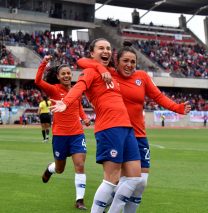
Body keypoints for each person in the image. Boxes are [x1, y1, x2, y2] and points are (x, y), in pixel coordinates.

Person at [77, 43, 191, 212]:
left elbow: (158, 96)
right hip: (115, 131)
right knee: (119, 179)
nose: (129, 65)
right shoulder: (110, 74)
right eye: (125, 61)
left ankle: (113, 202)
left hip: (138, 134)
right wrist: (101, 69)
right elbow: (82, 61)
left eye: (133, 61)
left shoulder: (142, 77)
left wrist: (177, 107)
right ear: (117, 62)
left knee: (140, 182)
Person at [50, 38, 142, 213]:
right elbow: (80, 83)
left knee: (134, 178)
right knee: (111, 179)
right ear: (92, 53)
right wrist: (67, 102)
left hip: (126, 127)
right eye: (101, 48)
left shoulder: (112, 72)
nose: (106, 51)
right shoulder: (90, 72)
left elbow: (126, 68)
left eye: (108, 48)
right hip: (109, 128)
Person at [35, 55, 91, 210]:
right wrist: (44, 62)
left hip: (77, 134)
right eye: (63, 74)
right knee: (60, 169)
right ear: (58, 77)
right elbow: (38, 81)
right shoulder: (54, 90)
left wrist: (85, 118)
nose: (67, 75)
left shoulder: (76, 91)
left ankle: (79, 200)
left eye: (68, 73)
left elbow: (78, 107)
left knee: (79, 165)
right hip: (60, 135)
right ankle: (50, 169)